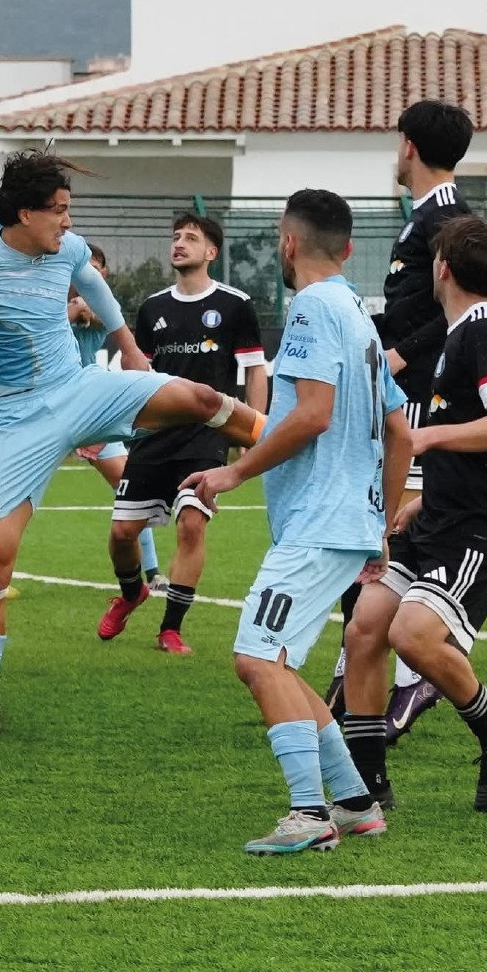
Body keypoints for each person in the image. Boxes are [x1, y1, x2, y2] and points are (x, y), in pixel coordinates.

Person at [0, 151, 266, 740]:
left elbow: (94, 285)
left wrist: (129, 347)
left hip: (78, 389)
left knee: (202, 399)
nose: (69, 223)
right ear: (25, 214)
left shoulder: (66, 247)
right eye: (59, 211)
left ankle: (285, 439)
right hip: (16, 422)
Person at [183, 190, 412, 855]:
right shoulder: (360, 316)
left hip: (319, 521)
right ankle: (354, 803)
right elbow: (400, 432)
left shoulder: (311, 308)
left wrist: (233, 473)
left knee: (257, 657)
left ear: (288, 243)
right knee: (274, 659)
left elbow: (312, 413)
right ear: (348, 248)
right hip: (345, 522)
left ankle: (309, 813)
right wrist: (380, 521)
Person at [341, 216, 487, 813]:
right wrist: (423, 500)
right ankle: (368, 781)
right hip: (437, 518)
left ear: (441, 268)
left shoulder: (486, 332)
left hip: (478, 530)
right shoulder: (457, 336)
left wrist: (427, 439)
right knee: (364, 626)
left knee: (411, 636)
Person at [327, 99, 474, 741]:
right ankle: (353, 670)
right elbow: (410, 308)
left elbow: (455, 311)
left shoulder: (447, 220)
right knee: (375, 532)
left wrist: (399, 355)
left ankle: (415, 677)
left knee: (397, 535)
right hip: (398, 393)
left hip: (417, 400)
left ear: (409, 146)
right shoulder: (425, 217)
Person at [100, 213, 268, 654]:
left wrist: (254, 428)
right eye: (176, 237)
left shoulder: (235, 304)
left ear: (211, 252)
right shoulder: (153, 308)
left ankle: (170, 629)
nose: (179, 243)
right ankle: (132, 593)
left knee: (192, 524)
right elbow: (137, 374)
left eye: (191, 238)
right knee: (122, 534)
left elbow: (254, 370)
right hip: (154, 434)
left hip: (206, 436)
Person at [68, 243, 160, 591]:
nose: (89, 277)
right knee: (8, 490)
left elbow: (106, 320)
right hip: (46, 409)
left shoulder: (103, 308)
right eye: (82, 270)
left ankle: (152, 574)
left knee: (129, 487)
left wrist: (83, 311)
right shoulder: (50, 303)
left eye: (95, 270)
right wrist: (71, 311)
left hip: (89, 409)